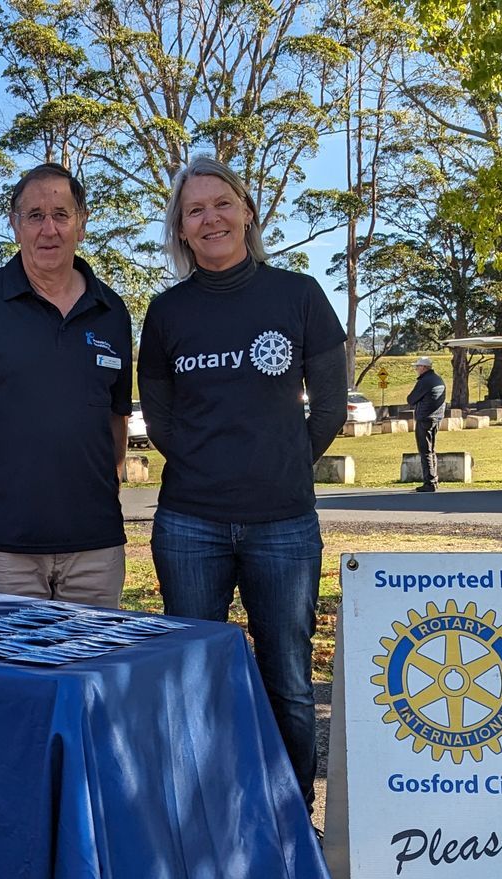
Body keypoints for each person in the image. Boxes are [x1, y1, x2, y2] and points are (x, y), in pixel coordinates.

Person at [137, 156, 347, 812]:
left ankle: (289, 818)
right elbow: (162, 414)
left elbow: (332, 407)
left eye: (221, 203)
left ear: (248, 211)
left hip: (283, 521)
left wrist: (278, 463)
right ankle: (203, 821)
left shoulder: (299, 295)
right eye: (194, 210)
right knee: (191, 676)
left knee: (286, 677)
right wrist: (209, 467)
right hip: (189, 523)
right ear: (181, 229)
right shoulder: (167, 312)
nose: (211, 217)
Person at [0, 163, 133, 608]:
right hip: (1, 551)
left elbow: (116, 418)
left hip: (95, 550)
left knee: (90, 674)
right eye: (34, 215)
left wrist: (106, 490)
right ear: (14, 224)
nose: (49, 229)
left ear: (82, 222)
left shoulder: (112, 311)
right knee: (7, 677)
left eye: (61, 214)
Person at [408, 356, 446, 492]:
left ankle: (429, 482)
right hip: (436, 418)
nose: (416, 369)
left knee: (425, 451)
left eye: (417, 367)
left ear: (424, 368)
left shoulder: (425, 381)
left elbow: (411, 399)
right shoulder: (437, 379)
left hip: (425, 418)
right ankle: (433, 479)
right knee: (431, 449)